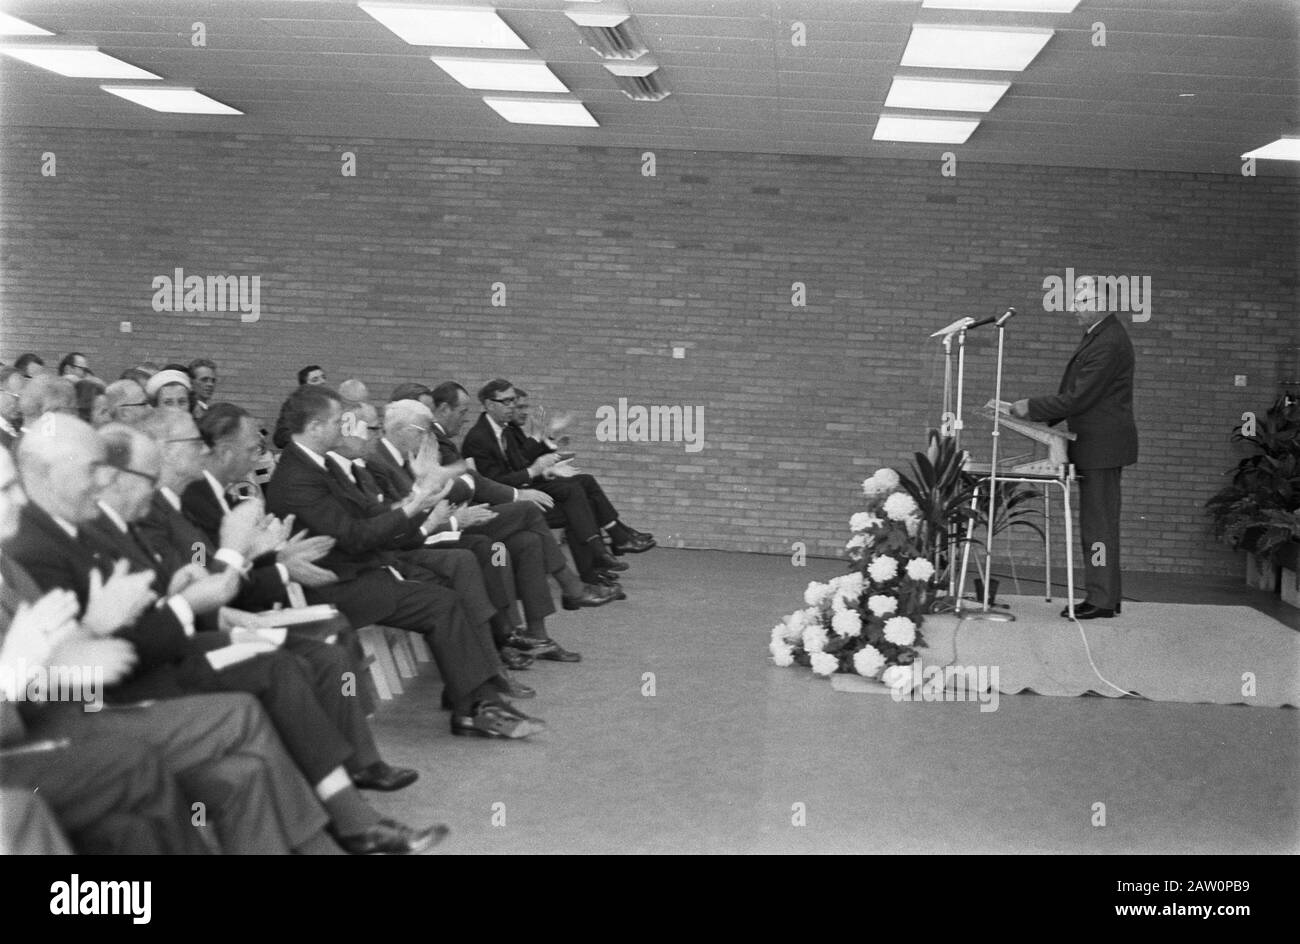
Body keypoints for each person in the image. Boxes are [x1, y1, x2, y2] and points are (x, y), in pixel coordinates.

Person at [1011, 278, 1138, 620]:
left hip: (1102, 447)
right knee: (1099, 523)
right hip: (1099, 444)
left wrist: (1032, 408)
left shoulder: (1107, 342)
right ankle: (1106, 596)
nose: (1075, 307)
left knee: (1098, 525)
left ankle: (1100, 599)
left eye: (1083, 300)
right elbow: (1078, 393)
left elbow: (1080, 396)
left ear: (1103, 301)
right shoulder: (1101, 335)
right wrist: (1041, 417)